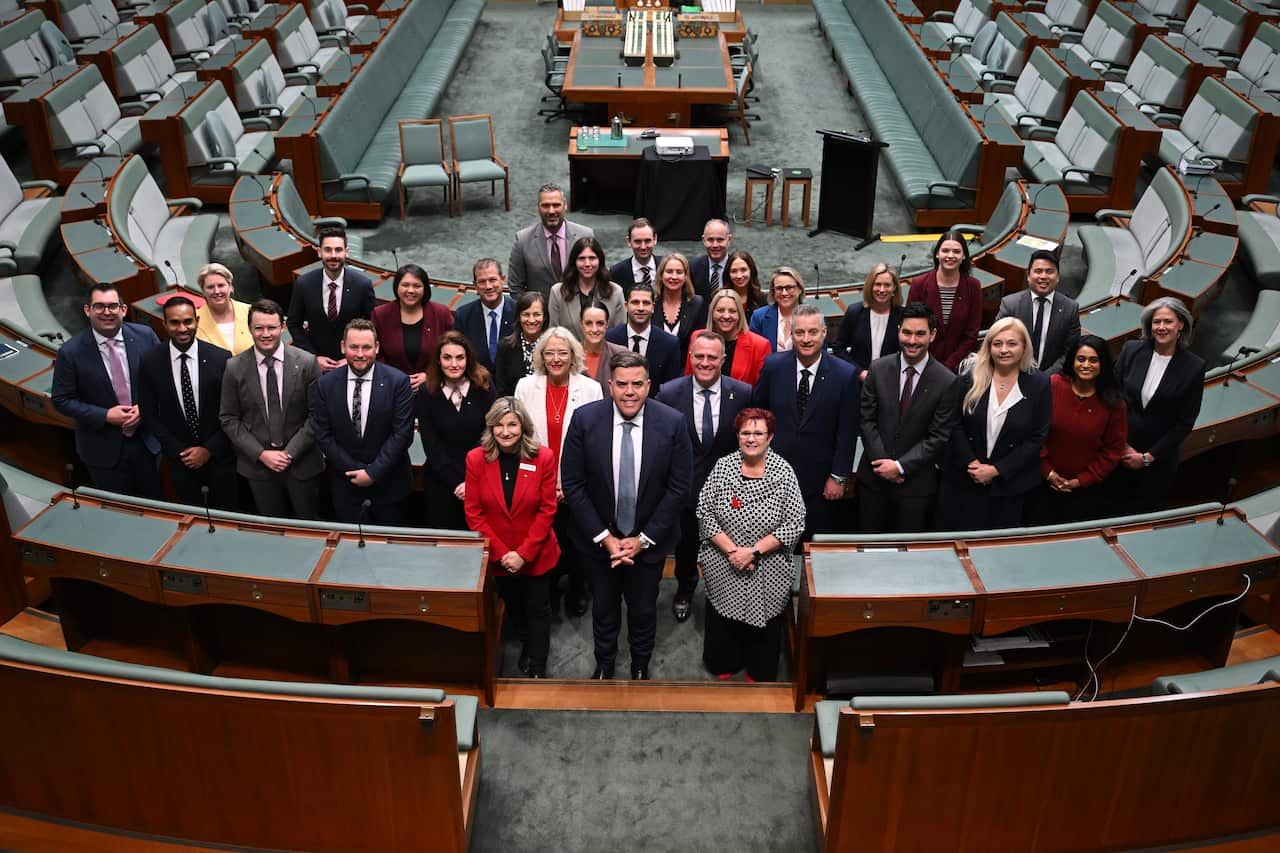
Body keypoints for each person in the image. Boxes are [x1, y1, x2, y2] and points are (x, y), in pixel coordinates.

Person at [560, 351, 693, 680]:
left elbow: (679, 488)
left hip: (649, 543)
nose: (629, 392)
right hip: (599, 543)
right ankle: (604, 665)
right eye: (622, 384)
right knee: (603, 609)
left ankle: (639, 666)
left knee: (644, 610)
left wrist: (643, 541)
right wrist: (606, 539)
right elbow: (574, 485)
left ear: (649, 385)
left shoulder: (673, 423)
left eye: (637, 384)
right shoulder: (585, 420)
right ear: (610, 385)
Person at [697, 408, 805, 681]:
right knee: (723, 615)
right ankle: (725, 660)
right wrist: (733, 552)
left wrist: (753, 551)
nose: (752, 438)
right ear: (738, 436)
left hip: (767, 564)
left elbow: (795, 522)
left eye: (759, 433)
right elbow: (704, 511)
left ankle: (759, 667)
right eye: (746, 432)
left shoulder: (783, 472)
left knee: (765, 623)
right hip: (724, 561)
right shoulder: (723, 467)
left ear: (770, 437)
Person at [656, 332, 751, 622]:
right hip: (684, 490)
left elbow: (749, 442)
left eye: (712, 357)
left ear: (723, 359)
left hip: (730, 492)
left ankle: (725, 594)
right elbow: (660, 444)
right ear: (690, 358)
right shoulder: (669, 393)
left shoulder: (743, 393)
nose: (705, 362)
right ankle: (685, 589)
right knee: (686, 547)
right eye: (699, 356)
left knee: (728, 547)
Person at [464, 397, 561, 679]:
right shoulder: (475, 459)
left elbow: (547, 510)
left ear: (523, 427)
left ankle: (538, 663)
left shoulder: (542, 457)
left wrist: (523, 553)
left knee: (538, 609)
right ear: (490, 428)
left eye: (512, 425)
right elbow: (473, 512)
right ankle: (526, 645)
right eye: (499, 425)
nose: (505, 432)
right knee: (514, 607)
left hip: (536, 552)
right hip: (498, 555)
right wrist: (503, 553)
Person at [514, 327, 604, 619]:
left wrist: (571, 486)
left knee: (578, 545)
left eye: (562, 352)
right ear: (541, 356)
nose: (556, 358)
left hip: (576, 485)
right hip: (537, 483)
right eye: (549, 352)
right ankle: (548, 593)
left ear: (573, 355)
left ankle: (578, 591)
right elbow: (520, 439)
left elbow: (594, 445)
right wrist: (545, 484)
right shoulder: (526, 386)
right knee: (542, 543)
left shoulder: (591, 389)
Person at [751, 304, 859, 536]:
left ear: (824, 333)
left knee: (816, 549)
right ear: (791, 334)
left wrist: (838, 477)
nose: (806, 339)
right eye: (800, 332)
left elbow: (847, 431)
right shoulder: (773, 366)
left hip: (821, 484)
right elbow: (757, 417)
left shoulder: (844, 375)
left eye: (812, 332)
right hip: (774, 479)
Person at [936, 317, 1051, 530]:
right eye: (997, 344)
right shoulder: (969, 377)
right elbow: (954, 423)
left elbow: (1037, 438)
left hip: (1009, 487)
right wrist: (972, 463)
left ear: (1024, 347)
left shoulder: (1040, 384)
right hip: (963, 482)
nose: (1004, 350)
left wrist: (996, 470)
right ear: (989, 347)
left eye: (1012, 343)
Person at [52, 283, 163, 499]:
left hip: (147, 442)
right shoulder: (70, 352)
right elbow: (61, 399)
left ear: (123, 309)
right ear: (88, 310)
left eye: (113, 306)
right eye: (99, 306)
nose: (106, 312)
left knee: (156, 505)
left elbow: (163, 380)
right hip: (102, 448)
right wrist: (105, 415)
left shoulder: (145, 336)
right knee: (119, 511)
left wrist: (145, 408)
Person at [856, 302, 960, 533]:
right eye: (907, 332)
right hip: (874, 481)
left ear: (932, 335)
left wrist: (901, 467)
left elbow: (938, 436)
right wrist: (885, 464)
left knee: (908, 559)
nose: (912, 341)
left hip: (915, 488)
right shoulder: (878, 369)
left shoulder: (947, 381)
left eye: (920, 334)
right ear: (899, 331)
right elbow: (866, 420)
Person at [220, 299, 324, 519]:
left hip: (302, 464)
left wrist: (289, 453)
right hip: (259, 468)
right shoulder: (234, 367)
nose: (265, 334)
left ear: (283, 327)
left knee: (309, 527)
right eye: (259, 328)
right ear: (249, 329)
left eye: (272, 327)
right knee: (273, 530)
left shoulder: (307, 363)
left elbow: (317, 416)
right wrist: (261, 454)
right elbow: (229, 418)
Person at [138, 296, 238, 510]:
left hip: (220, 459)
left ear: (197, 321)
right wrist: (179, 450)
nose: (182, 328)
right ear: (164, 324)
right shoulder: (150, 361)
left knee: (229, 516)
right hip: (179, 461)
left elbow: (233, 410)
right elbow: (148, 412)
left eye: (188, 321)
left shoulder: (220, 358)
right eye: (174, 322)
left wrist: (208, 449)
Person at [311, 318, 414, 523]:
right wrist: (354, 470)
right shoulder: (325, 384)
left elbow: (402, 434)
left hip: (390, 485)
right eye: (354, 347)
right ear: (342, 347)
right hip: (346, 485)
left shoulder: (398, 382)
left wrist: (372, 472)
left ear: (377, 347)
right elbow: (323, 433)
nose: (360, 354)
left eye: (366, 347)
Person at [1110, 297, 1206, 513]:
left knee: (1142, 518)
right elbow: (1113, 397)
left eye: (1168, 322)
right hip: (1119, 451)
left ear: (1181, 325)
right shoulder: (1131, 350)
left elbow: (1185, 422)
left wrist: (1147, 458)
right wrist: (1124, 446)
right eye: (1156, 322)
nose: (1161, 327)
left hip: (1158, 461)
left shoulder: (1194, 367)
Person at [1032, 334, 1128, 525]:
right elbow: (1034, 433)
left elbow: (1113, 450)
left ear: (1103, 364)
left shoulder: (1115, 403)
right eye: (1081, 359)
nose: (1086, 365)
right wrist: (1048, 472)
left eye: (1093, 360)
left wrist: (1080, 480)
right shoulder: (1053, 385)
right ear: (1072, 361)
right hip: (1040, 483)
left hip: (1085, 492)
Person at [419, 331, 496, 530]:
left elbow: (490, 434)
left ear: (468, 358)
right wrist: (457, 482)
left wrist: (471, 481)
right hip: (442, 482)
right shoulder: (427, 391)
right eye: (447, 357)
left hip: (482, 478)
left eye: (460, 357)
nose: (454, 364)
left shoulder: (484, 385)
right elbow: (431, 445)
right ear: (438, 360)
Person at [287, 226, 376, 371]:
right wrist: (313, 357)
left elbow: (373, 325)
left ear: (346, 252)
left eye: (338, 250)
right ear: (319, 252)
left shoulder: (362, 285)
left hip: (354, 364)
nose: (333, 255)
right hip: (317, 365)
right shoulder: (304, 284)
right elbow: (293, 323)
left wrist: (353, 357)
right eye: (328, 250)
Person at [370, 263, 452, 395]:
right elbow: (375, 354)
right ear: (397, 287)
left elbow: (453, 351)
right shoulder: (380, 314)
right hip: (391, 390)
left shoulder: (441, 314)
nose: (411, 290)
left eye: (417, 286)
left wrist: (430, 375)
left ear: (425, 288)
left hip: (434, 390)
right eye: (405, 285)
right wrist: (397, 378)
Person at [994, 250, 1080, 374]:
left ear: (1058, 277)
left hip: (1051, 379)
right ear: (1028, 276)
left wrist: (1045, 378)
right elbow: (997, 341)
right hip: (1013, 374)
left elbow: (1070, 351)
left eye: (1049, 271)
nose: (1043, 276)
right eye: (1038, 271)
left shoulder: (1070, 308)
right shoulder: (1010, 304)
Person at [907, 230, 981, 372]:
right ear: (937, 254)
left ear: (964, 255)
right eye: (945, 250)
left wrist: (948, 366)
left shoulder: (973, 286)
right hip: (921, 364)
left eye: (956, 251)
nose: (950, 256)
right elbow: (912, 327)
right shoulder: (919, 284)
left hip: (956, 368)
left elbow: (971, 334)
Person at [507, 183, 594, 299]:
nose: (551, 211)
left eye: (556, 205)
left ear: (565, 206)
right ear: (538, 207)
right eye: (546, 205)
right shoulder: (523, 240)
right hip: (541, 315)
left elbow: (596, 278)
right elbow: (516, 288)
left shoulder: (585, 235)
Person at [687, 289, 771, 386]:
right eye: (720, 310)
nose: (726, 316)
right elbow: (689, 380)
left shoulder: (760, 345)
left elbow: (761, 391)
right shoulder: (697, 337)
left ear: (739, 314)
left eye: (732, 311)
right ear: (712, 313)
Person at [547, 236, 624, 342]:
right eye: (582, 258)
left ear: (600, 261)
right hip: (570, 355)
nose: (587, 264)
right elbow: (554, 333)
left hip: (606, 356)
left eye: (592, 258)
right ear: (574, 262)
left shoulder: (616, 292)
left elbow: (619, 334)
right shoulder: (558, 292)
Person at [834, 262, 903, 380]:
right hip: (857, 383)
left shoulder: (902, 316)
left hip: (890, 381)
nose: (882, 290)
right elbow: (839, 348)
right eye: (877, 284)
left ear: (894, 288)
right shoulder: (854, 312)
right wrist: (859, 372)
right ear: (870, 286)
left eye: (887, 285)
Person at [604, 281, 681, 385]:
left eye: (646, 303)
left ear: (653, 307)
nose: (641, 308)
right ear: (626, 306)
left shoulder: (670, 343)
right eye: (635, 302)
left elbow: (671, 386)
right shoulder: (609, 338)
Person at [455, 258, 515, 373]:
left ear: (502, 280)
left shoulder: (518, 312)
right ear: (475, 286)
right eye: (482, 281)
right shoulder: (464, 316)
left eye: (493, 280)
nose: (488, 286)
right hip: (477, 384)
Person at [654, 252, 707, 364]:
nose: (674, 277)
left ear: (686, 276)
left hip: (686, 369)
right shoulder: (651, 303)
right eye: (669, 272)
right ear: (661, 275)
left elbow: (700, 342)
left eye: (679, 272)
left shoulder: (697, 304)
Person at [494, 291, 548, 396]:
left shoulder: (552, 346)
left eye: (536, 314)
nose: (531, 320)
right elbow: (502, 389)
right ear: (519, 317)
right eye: (526, 314)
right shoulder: (505, 347)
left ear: (544, 317)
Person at [194, 262, 253, 355]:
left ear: (230, 287)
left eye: (221, 285)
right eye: (210, 287)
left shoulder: (250, 311)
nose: (216, 291)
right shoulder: (194, 319)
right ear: (203, 292)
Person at [749, 266, 805, 353]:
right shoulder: (759, 317)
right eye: (779, 288)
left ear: (800, 289)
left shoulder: (813, 318)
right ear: (773, 291)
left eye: (789, 287)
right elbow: (753, 353)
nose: (784, 293)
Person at [580, 302, 628, 392]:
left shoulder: (621, 354)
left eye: (600, 323)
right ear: (581, 325)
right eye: (589, 323)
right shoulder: (571, 355)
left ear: (607, 325)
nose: (594, 329)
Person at [608, 217, 662, 292]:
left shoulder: (667, 266)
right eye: (637, 241)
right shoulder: (616, 272)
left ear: (655, 239)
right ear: (629, 241)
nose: (643, 247)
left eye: (647, 241)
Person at [690, 218, 734, 298]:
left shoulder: (738, 268)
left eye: (720, 240)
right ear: (703, 240)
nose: (715, 245)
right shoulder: (692, 268)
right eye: (710, 240)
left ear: (729, 240)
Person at [725, 250, 764, 315]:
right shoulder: (720, 298)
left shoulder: (761, 299)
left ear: (751, 271)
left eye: (743, 270)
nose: (739, 276)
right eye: (734, 271)